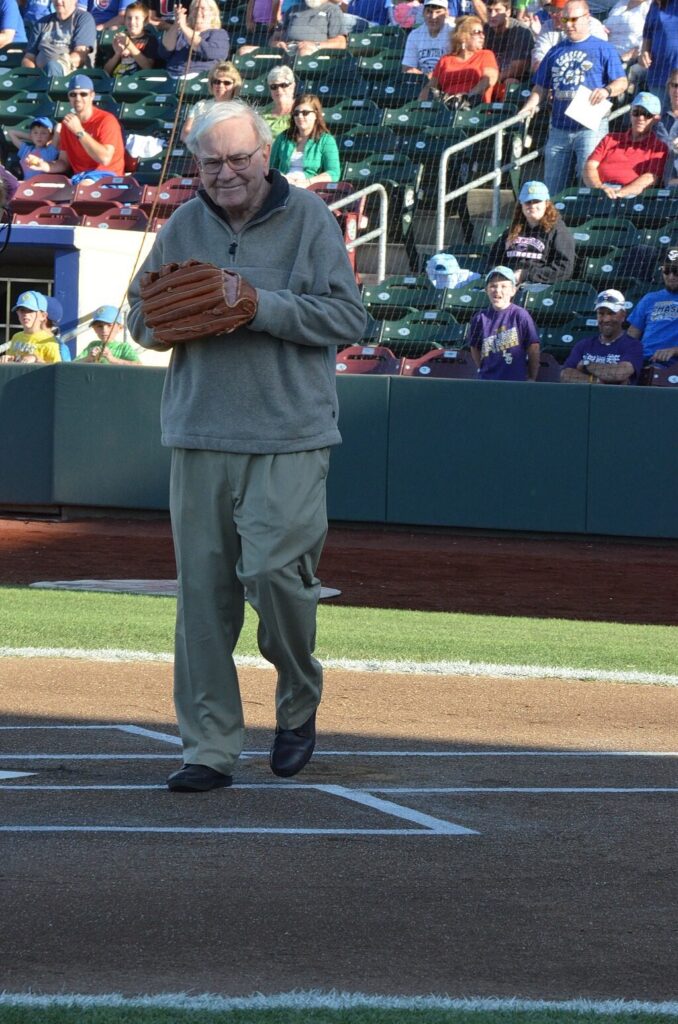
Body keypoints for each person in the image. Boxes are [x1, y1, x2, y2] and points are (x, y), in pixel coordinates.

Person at [126, 100, 366, 793]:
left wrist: (257, 303)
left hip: (290, 434)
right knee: (202, 602)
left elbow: (350, 316)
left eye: (238, 159)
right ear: (195, 166)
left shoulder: (311, 220)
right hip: (199, 432)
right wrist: (174, 318)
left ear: (266, 156)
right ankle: (209, 747)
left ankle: (297, 697)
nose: (226, 173)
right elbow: (140, 322)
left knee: (273, 575)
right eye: (211, 162)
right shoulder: (182, 223)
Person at [520, 1, 627, 199]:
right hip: (559, 128)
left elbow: (622, 81)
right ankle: (555, 228)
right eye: (565, 19)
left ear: (587, 18)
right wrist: (527, 108)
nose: (568, 24)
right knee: (552, 188)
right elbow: (540, 87)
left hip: (590, 127)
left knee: (590, 185)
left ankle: (588, 226)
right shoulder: (555, 50)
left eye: (574, 20)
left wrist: (607, 90)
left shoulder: (603, 48)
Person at [24, 75, 126, 184]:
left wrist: (79, 131)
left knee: (83, 187)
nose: (78, 98)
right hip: (79, 178)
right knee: (37, 188)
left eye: (83, 94)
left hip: (109, 178)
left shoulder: (106, 120)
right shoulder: (67, 124)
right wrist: (45, 165)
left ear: (92, 96)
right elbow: (64, 162)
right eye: (73, 94)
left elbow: (104, 159)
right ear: (69, 97)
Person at [487, 180, 575, 285]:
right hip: (507, 285)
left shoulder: (558, 231)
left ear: (546, 203)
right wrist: (502, 276)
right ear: (521, 204)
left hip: (539, 288)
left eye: (537, 201)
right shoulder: (513, 230)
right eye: (528, 202)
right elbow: (494, 259)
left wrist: (526, 275)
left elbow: (565, 268)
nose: (532, 206)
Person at [582, 91, 668, 197]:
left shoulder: (659, 147)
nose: (640, 118)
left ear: (656, 119)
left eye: (647, 114)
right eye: (636, 112)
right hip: (599, 192)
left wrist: (620, 193)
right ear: (630, 114)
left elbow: (650, 178)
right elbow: (589, 166)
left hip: (631, 198)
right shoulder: (610, 138)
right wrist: (599, 188)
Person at [468, 265, 541, 379]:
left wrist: (532, 377)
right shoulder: (480, 318)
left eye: (504, 286)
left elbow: (533, 348)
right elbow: (474, 348)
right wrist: (484, 368)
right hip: (487, 381)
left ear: (513, 291)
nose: (498, 290)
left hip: (515, 381)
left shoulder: (520, 315)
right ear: (486, 290)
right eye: (493, 286)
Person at [560, 289, 644, 383]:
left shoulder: (633, 345)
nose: (606, 319)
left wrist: (587, 364)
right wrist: (595, 381)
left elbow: (620, 373)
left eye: (611, 313)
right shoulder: (584, 344)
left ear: (623, 315)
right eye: (601, 313)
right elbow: (566, 374)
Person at [421, 14, 499, 103]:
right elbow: (430, 87)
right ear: (463, 36)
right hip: (446, 107)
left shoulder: (486, 55)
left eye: (483, 32)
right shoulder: (445, 60)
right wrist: (419, 106)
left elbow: (489, 79)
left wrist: (466, 97)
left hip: (474, 107)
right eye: (477, 32)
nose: (483, 36)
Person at [269, 92, 340, 187]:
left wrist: (308, 182)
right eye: (296, 113)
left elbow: (334, 173)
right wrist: (283, 178)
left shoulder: (326, 140)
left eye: (305, 113)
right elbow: (271, 167)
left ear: (316, 115)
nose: (300, 116)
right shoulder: (283, 137)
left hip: (310, 188)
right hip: (284, 185)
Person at [626, 249, 678, 364]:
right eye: (667, 270)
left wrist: (674, 350)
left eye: (676, 271)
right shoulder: (650, 298)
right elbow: (632, 335)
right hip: (645, 363)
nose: (671, 276)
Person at [22, 0, 97, 77]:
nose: (58, 1)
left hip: (70, 76)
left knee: (52, 66)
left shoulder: (84, 19)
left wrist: (60, 63)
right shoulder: (42, 23)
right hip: (40, 76)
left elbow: (80, 55)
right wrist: (32, 74)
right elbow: (29, 57)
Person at [157, 0, 229, 78]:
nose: (198, 11)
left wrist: (184, 27)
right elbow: (164, 52)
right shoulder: (180, 33)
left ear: (212, 13)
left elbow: (210, 52)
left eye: (202, 8)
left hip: (202, 77)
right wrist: (176, 24)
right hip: (172, 76)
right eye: (195, 8)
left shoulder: (219, 34)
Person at [530, 0, 607, 72]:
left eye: (558, 11)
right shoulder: (548, 25)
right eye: (552, 10)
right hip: (551, 80)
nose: (552, 15)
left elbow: (595, 62)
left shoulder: (592, 25)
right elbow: (538, 61)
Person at [181, 60, 242, 141]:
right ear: (211, 84)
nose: (220, 85)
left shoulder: (240, 110)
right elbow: (185, 134)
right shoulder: (200, 105)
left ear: (234, 86)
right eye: (217, 82)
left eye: (227, 83)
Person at [266, 0, 347, 58]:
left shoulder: (333, 10)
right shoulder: (293, 9)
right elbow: (273, 39)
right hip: (286, 50)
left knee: (304, 51)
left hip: (314, 52)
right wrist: (276, 44)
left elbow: (341, 43)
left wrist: (316, 45)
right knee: (253, 50)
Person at [484, 0, 532, 94]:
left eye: (497, 10)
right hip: (489, 76)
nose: (492, 15)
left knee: (510, 82)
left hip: (516, 80)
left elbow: (517, 68)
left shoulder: (521, 31)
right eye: (489, 10)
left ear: (508, 12)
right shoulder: (484, 30)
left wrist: (492, 79)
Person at [2, 291, 61, 364]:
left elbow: (56, 370)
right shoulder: (16, 337)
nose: (26, 314)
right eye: (22, 310)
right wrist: (8, 359)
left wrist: (36, 360)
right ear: (17, 313)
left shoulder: (49, 342)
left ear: (43, 316)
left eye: (31, 310)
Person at [104, 2, 159, 76]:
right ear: (124, 20)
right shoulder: (120, 39)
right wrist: (117, 54)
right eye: (129, 18)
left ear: (145, 21)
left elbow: (148, 67)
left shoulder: (150, 40)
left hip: (138, 82)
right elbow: (106, 71)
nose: (132, 22)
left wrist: (129, 45)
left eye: (137, 18)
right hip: (116, 80)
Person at [402, 0, 452, 77]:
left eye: (438, 12)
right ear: (423, 13)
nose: (433, 17)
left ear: (446, 13)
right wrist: (427, 78)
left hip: (448, 81)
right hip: (422, 82)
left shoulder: (454, 33)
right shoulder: (414, 35)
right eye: (429, 12)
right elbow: (407, 68)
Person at [76, 306, 141, 364]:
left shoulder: (123, 348)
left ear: (120, 328)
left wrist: (112, 359)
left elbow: (138, 366)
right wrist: (88, 359)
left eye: (110, 326)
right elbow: (71, 365)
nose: (104, 330)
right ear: (94, 328)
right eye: (99, 326)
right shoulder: (92, 345)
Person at [639, 0, 678, 98]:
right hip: (657, 76)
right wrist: (644, 52)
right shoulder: (653, 7)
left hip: (676, 78)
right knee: (660, 112)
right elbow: (647, 35)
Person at [7, 117, 60, 181]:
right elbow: (10, 132)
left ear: (50, 136)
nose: (39, 136)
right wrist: (31, 137)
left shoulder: (50, 151)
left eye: (43, 133)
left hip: (40, 186)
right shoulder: (26, 150)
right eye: (35, 132)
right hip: (23, 184)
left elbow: (59, 126)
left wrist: (50, 138)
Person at [603, 0, 650, 66]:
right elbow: (607, 24)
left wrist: (627, 57)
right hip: (606, 54)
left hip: (628, 60)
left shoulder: (650, 7)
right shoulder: (622, 3)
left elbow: (652, 36)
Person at [655, 67, 678, 184]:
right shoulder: (655, 118)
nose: (677, 91)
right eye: (674, 85)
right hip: (657, 175)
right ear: (669, 87)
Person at [261, 65, 297, 139]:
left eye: (283, 85)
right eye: (274, 87)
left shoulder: (301, 112)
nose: (279, 90)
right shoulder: (263, 116)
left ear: (292, 86)